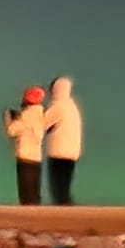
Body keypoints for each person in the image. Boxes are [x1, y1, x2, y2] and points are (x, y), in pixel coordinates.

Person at [43, 75, 84, 205]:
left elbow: (43, 124)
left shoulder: (58, 106)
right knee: (65, 181)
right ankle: (66, 203)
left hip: (57, 151)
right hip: (72, 150)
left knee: (57, 183)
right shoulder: (72, 107)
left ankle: (62, 205)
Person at [4, 84, 47, 207]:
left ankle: (28, 214)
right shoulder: (41, 115)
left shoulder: (27, 115)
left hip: (25, 156)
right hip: (36, 157)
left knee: (26, 193)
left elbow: (11, 131)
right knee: (34, 191)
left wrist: (8, 118)